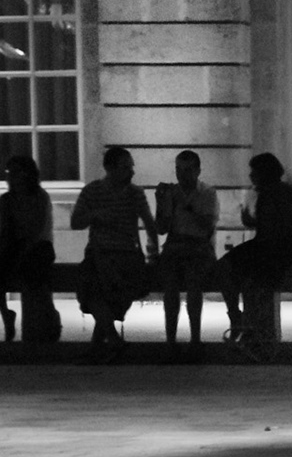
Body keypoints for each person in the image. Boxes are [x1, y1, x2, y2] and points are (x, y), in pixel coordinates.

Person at [70, 146, 158, 359]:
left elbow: (149, 224)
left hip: (125, 254)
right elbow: (76, 222)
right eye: (125, 167)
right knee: (95, 290)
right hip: (99, 253)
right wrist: (95, 215)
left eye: (131, 167)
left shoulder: (135, 193)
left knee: (104, 294)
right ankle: (110, 340)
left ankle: (101, 344)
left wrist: (152, 252)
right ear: (110, 169)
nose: (131, 172)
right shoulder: (92, 191)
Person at [215, 152, 292, 358]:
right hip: (271, 246)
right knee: (234, 271)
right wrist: (252, 221)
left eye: (254, 172)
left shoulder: (275, 193)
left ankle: (243, 323)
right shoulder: (276, 192)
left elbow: (276, 227)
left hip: (272, 248)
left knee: (235, 272)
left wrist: (253, 221)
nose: (251, 176)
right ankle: (244, 324)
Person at [153, 149, 219, 354]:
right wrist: (160, 204)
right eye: (178, 170)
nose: (182, 175)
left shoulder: (207, 193)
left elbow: (206, 226)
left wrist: (185, 206)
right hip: (176, 245)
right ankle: (171, 341)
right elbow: (161, 228)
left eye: (187, 170)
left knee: (193, 282)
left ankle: (195, 339)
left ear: (198, 171)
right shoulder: (170, 193)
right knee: (170, 287)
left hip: (199, 246)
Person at [0, 154, 58, 344]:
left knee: (32, 274)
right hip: (15, 246)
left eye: (15, 172)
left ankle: (39, 326)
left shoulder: (39, 197)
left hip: (39, 247)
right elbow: (5, 231)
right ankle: (6, 314)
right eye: (9, 172)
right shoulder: (6, 200)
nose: (10, 176)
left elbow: (38, 230)